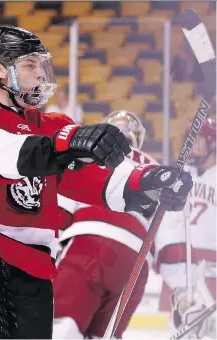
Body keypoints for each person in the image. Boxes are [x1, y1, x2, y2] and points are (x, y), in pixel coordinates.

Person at [0, 26, 193, 339]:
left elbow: (92, 178)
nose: (40, 75)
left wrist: (148, 181)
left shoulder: (53, 126)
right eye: (29, 65)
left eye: (41, 65)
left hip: (32, 256)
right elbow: (4, 155)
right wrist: (71, 140)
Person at [53, 110, 156, 339]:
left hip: (90, 243)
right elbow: (167, 230)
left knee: (62, 326)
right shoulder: (154, 167)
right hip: (136, 262)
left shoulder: (89, 154)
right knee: (103, 336)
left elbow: (61, 213)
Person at [154, 116, 216, 339]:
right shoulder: (179, 177)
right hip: (181, 265)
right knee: (179, 331)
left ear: (212, 141)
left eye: (197, 139)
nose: (191, 145)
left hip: (212, 269)